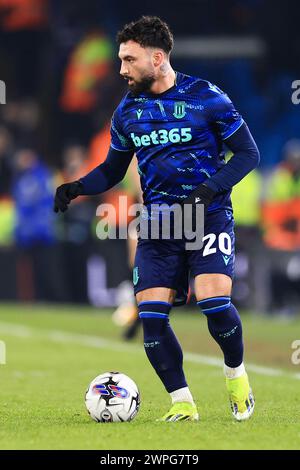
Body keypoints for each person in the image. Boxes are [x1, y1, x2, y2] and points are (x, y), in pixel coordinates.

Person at [54, 16, 260, 422]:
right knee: (150, 319)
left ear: (158, 57)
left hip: (208, 217)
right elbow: (113, 171)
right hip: (158, 224)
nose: (121, 69)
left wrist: (209, 189)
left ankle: (236, 375)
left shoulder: (208, 97)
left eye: (129, 60)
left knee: (215, 304)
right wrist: (76, 186)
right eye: (121, 59)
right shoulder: (127, 112)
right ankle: (182, 401)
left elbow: (249, 154)